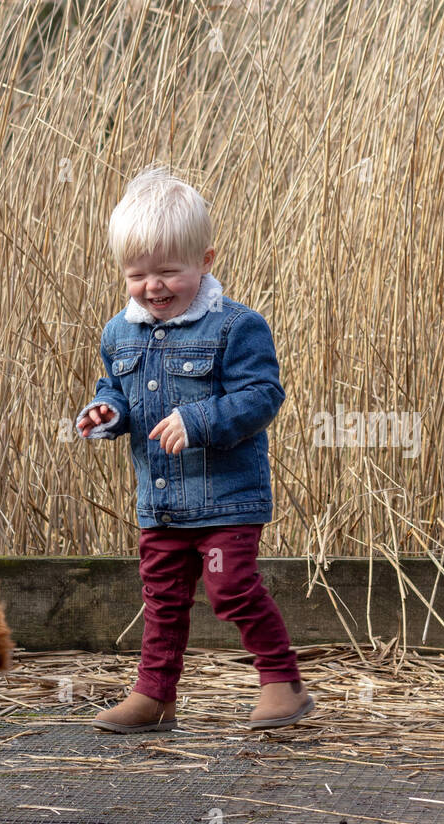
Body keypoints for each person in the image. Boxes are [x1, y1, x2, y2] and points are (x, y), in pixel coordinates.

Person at [75, 164, 313, 732]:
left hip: (226, 498)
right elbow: (118, 391)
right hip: (160, 503)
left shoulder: (235, 327)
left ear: (205, 262)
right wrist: (106, 414)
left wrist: (200, 418)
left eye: (168, 271)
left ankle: (283, 683)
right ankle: (155, 697)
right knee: (161, 599)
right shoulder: (119, 334)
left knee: (230, 585)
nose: (153, 286)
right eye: (138, 274)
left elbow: (263, 395)